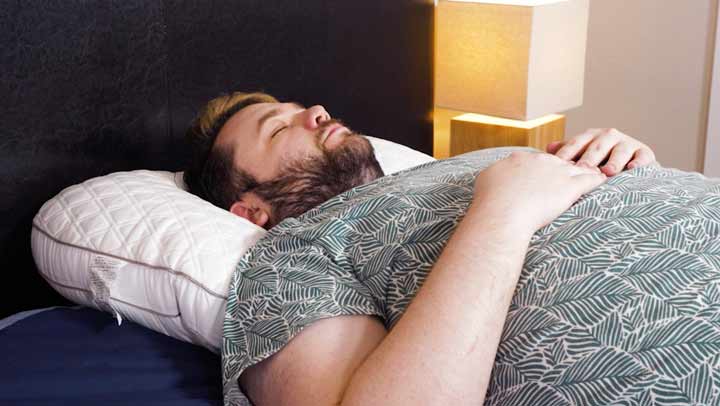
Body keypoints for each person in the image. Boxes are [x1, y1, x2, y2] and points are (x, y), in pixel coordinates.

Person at [184, 91, 664, 406]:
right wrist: (505, 210)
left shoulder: (448, 168)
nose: (316, 112)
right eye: (279, 128)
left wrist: (628, 169)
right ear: (250, 212)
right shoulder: (289, 258)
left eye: (301, 109)